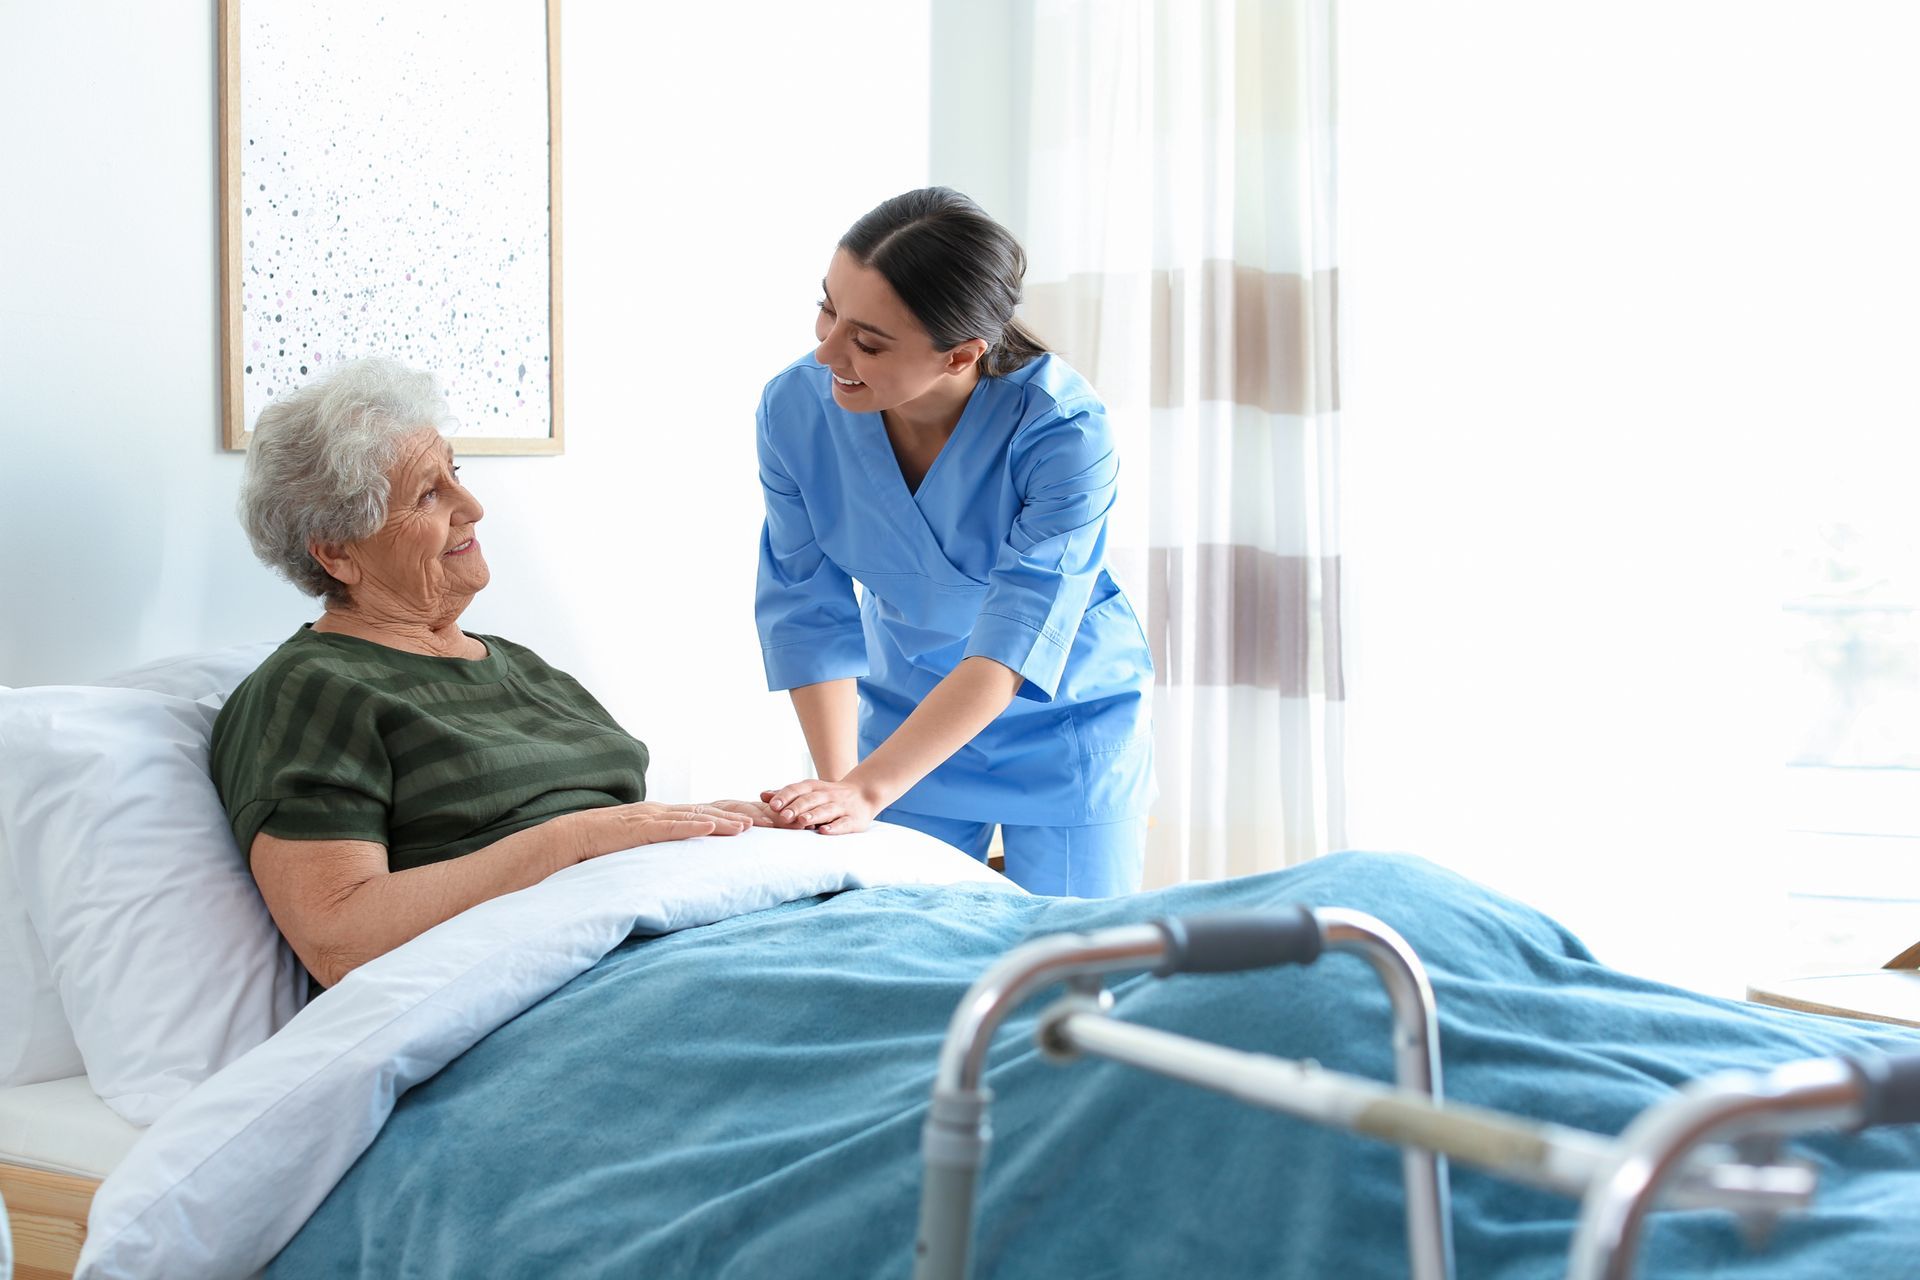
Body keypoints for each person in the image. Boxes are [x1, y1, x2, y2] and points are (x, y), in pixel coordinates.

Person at [210, 357, 774, 988]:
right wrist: (575, 841)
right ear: (338, 551)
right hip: (563, 987)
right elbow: (342, 939)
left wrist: (737, 822)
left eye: (455, 473)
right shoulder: (311, 690)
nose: (472, 506)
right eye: (428, 494)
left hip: (684, 935)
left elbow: (619, 828)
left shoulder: (524, 669)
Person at [754, 188, 1154, 896]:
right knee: (897, 950)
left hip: (1066, 723)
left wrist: (869, 790)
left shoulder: (1064, 430)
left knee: (1071, 965)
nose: (826, 351)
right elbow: (806, 610)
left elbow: (1016, 638)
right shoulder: (794, 409)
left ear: (961, 354)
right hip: (908, 717)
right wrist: (843, 786)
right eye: (828, 309)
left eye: (867, 341)